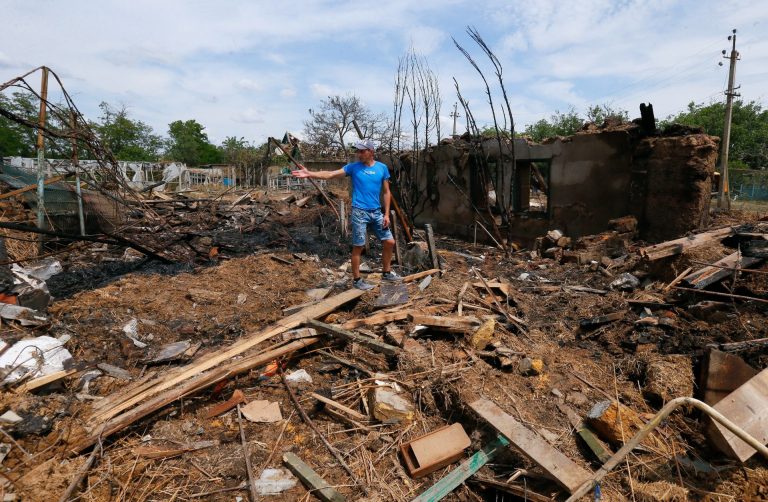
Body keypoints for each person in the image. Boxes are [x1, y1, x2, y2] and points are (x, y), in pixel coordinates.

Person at [292, 139, 400, 290]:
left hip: (376, 212)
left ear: (371, 152)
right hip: (359, 212)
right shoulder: (353, 168)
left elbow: (387, 192)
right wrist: (310, 173)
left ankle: (386, 272)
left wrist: (386, 214)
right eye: (358, 151)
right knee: (359, 246)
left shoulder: (382, 168)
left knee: (389, 242)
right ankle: (357, 280)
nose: (359, 154)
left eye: (362, 151)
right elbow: (330, 174)